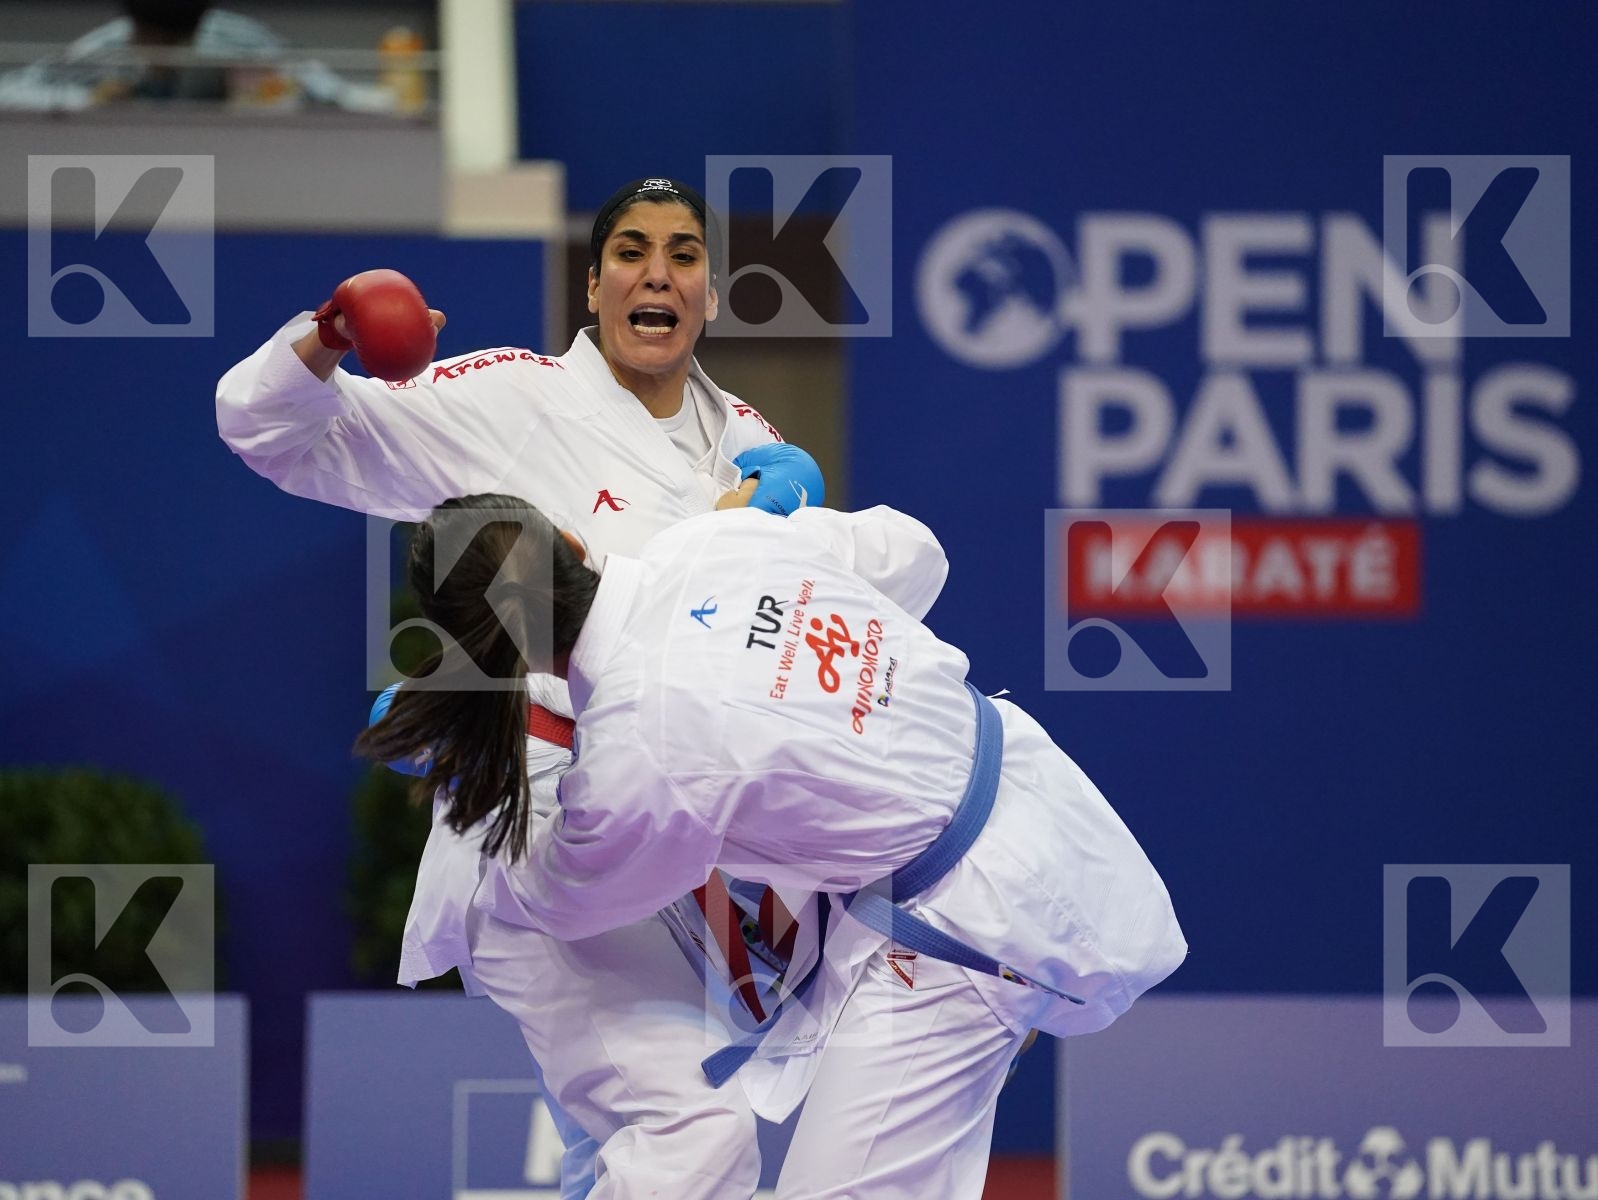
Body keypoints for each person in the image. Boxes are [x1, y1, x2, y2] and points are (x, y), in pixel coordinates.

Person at [216, 177, 820, 1198]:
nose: (656, 274)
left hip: (675, 853)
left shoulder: (748, 435)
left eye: (682, 254)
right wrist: (325, 337)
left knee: (634, 1152)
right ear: (592, 285)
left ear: (710, 294)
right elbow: (276, 434)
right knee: (692, 1137)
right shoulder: (518, 398)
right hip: (543, 846)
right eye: (631, 251)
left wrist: (807, 537)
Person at [359, 494, 1188, 1199]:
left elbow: (566, 898)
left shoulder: (640, 747)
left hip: (961, 930)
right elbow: (916, 552)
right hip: (1039, 798)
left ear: (479, 651)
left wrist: (505, 746)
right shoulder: (718, 538)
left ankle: (1009, 1002)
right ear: (573, 542)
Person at [0, 0, 389, 111]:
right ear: (133, 30)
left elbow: (340, 94)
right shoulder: (107, 48)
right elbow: (12, 90)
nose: (162, 56)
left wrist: (278, 97)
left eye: (175, 44)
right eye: (150, 42)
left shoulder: (242, 42)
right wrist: (88, 100)